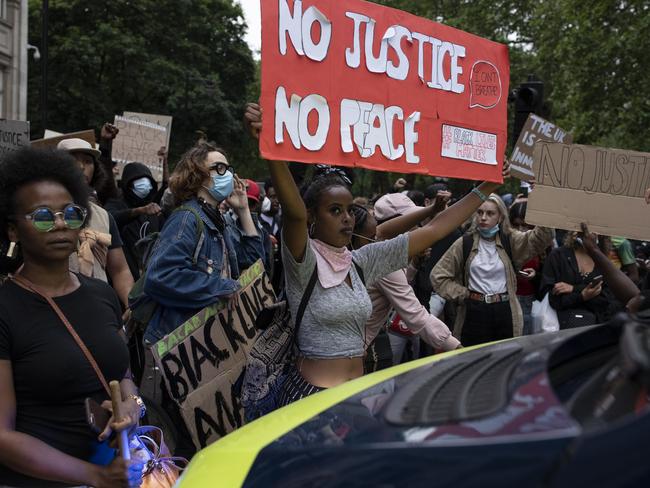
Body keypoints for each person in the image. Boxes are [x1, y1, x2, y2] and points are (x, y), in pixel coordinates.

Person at [245, 102, 507, 404]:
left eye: (348, 210)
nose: (347, 218)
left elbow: (434, 230)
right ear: (313, 217)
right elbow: (293, 213)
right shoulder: (304, 261)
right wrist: (269, 149)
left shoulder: (362, 261)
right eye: (334, 210)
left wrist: (488, 186)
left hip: (355, 397)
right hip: (310, 400)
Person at [0, 148, 143, 488]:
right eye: (44, 217)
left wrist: (132, 408)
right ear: (13, 231)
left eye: (70, 213)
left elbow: (122, 376)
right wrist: (95, 476)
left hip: (115, 471)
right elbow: (1, 435)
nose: (61, 224)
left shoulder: (101, 294)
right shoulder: (6, 308)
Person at [143, 142, 265, 344]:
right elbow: (159, 277)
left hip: (208, 341)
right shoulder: (186, 219)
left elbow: (255, 265)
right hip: (182, 342)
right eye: (220, 168)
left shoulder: (218, 222)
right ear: (197, 176)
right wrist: (220, 287)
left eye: (228, 169)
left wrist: (243, 210)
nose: (228, 175)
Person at [353, 194, 461, 366]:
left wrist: (414, 265)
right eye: (409, 220)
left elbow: (395, 285)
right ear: (393, 223)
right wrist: (458, 348)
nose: (415, 225)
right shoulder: (379, 257)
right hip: (355, 351)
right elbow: (417, 316)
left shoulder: (369, 249)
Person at [432, 194, 554, 346]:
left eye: (490, 213)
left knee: (504, 358)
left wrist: (542, 199)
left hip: (504, 309)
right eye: (480, 212)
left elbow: (541, 239)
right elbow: (438, 276)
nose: (483, 217)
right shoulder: (465, 243)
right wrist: (464, 294)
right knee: (474, 359)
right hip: (474, 311)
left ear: (500, 217)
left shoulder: (510, 239)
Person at [57, 138, 134, 310]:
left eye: (87, 161)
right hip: (54, 309)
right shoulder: (44, 212)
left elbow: (120, 270)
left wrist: (132, 304)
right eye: (73, 160)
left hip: (99, 309)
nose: (81, 167)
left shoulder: (103, 216)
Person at [539, 231, 616, 329]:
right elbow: (550, 297)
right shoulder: (558, 256)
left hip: (594, 328)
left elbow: (606, 299)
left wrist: (574, 289)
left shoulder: (603, 261)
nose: (592, 234)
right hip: (557, 327)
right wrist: (581, 296)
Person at [104, 162, 166, 280]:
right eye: (139, 183)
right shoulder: (117, 203)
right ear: (128, 185)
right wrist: (138, 211)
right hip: (126, 276)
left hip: (152, 277)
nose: (144, 187)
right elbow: (110, 218)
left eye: (147, 182)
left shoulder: (154, 208)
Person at [509, 201, 544, 335]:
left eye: (525, 225)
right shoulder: (504, 242)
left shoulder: (543, 245)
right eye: (516, 225)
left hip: (531, 302)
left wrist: (536, 276)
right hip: (509, 299)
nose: (520, 230)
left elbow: (550, 278)